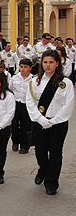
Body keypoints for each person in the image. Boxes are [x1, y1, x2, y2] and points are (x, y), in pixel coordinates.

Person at [26, 50, 75, 195]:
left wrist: (54, 121)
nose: (48, 65)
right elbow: (30, 102)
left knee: (55, 153)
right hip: (40, 122)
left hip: (58, 124)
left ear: (57, 64)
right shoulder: (35, 81)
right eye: (45, 62)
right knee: (40, 151)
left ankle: (51, 182)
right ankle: (43, 169)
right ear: (41, 63)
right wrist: (40, 119)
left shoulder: (65, 83)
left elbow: (68, 104)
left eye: (51, 62)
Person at [10, 59, 33, 154]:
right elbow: (10, 90)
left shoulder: (33, 79)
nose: (23, 69)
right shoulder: (14, 78)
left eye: (25, 67)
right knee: (14, 124)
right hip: (15, 104)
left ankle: (24, 145)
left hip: (26, 105)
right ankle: (15, 141)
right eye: (21, 67)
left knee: (26, 125)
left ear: (30, 68)